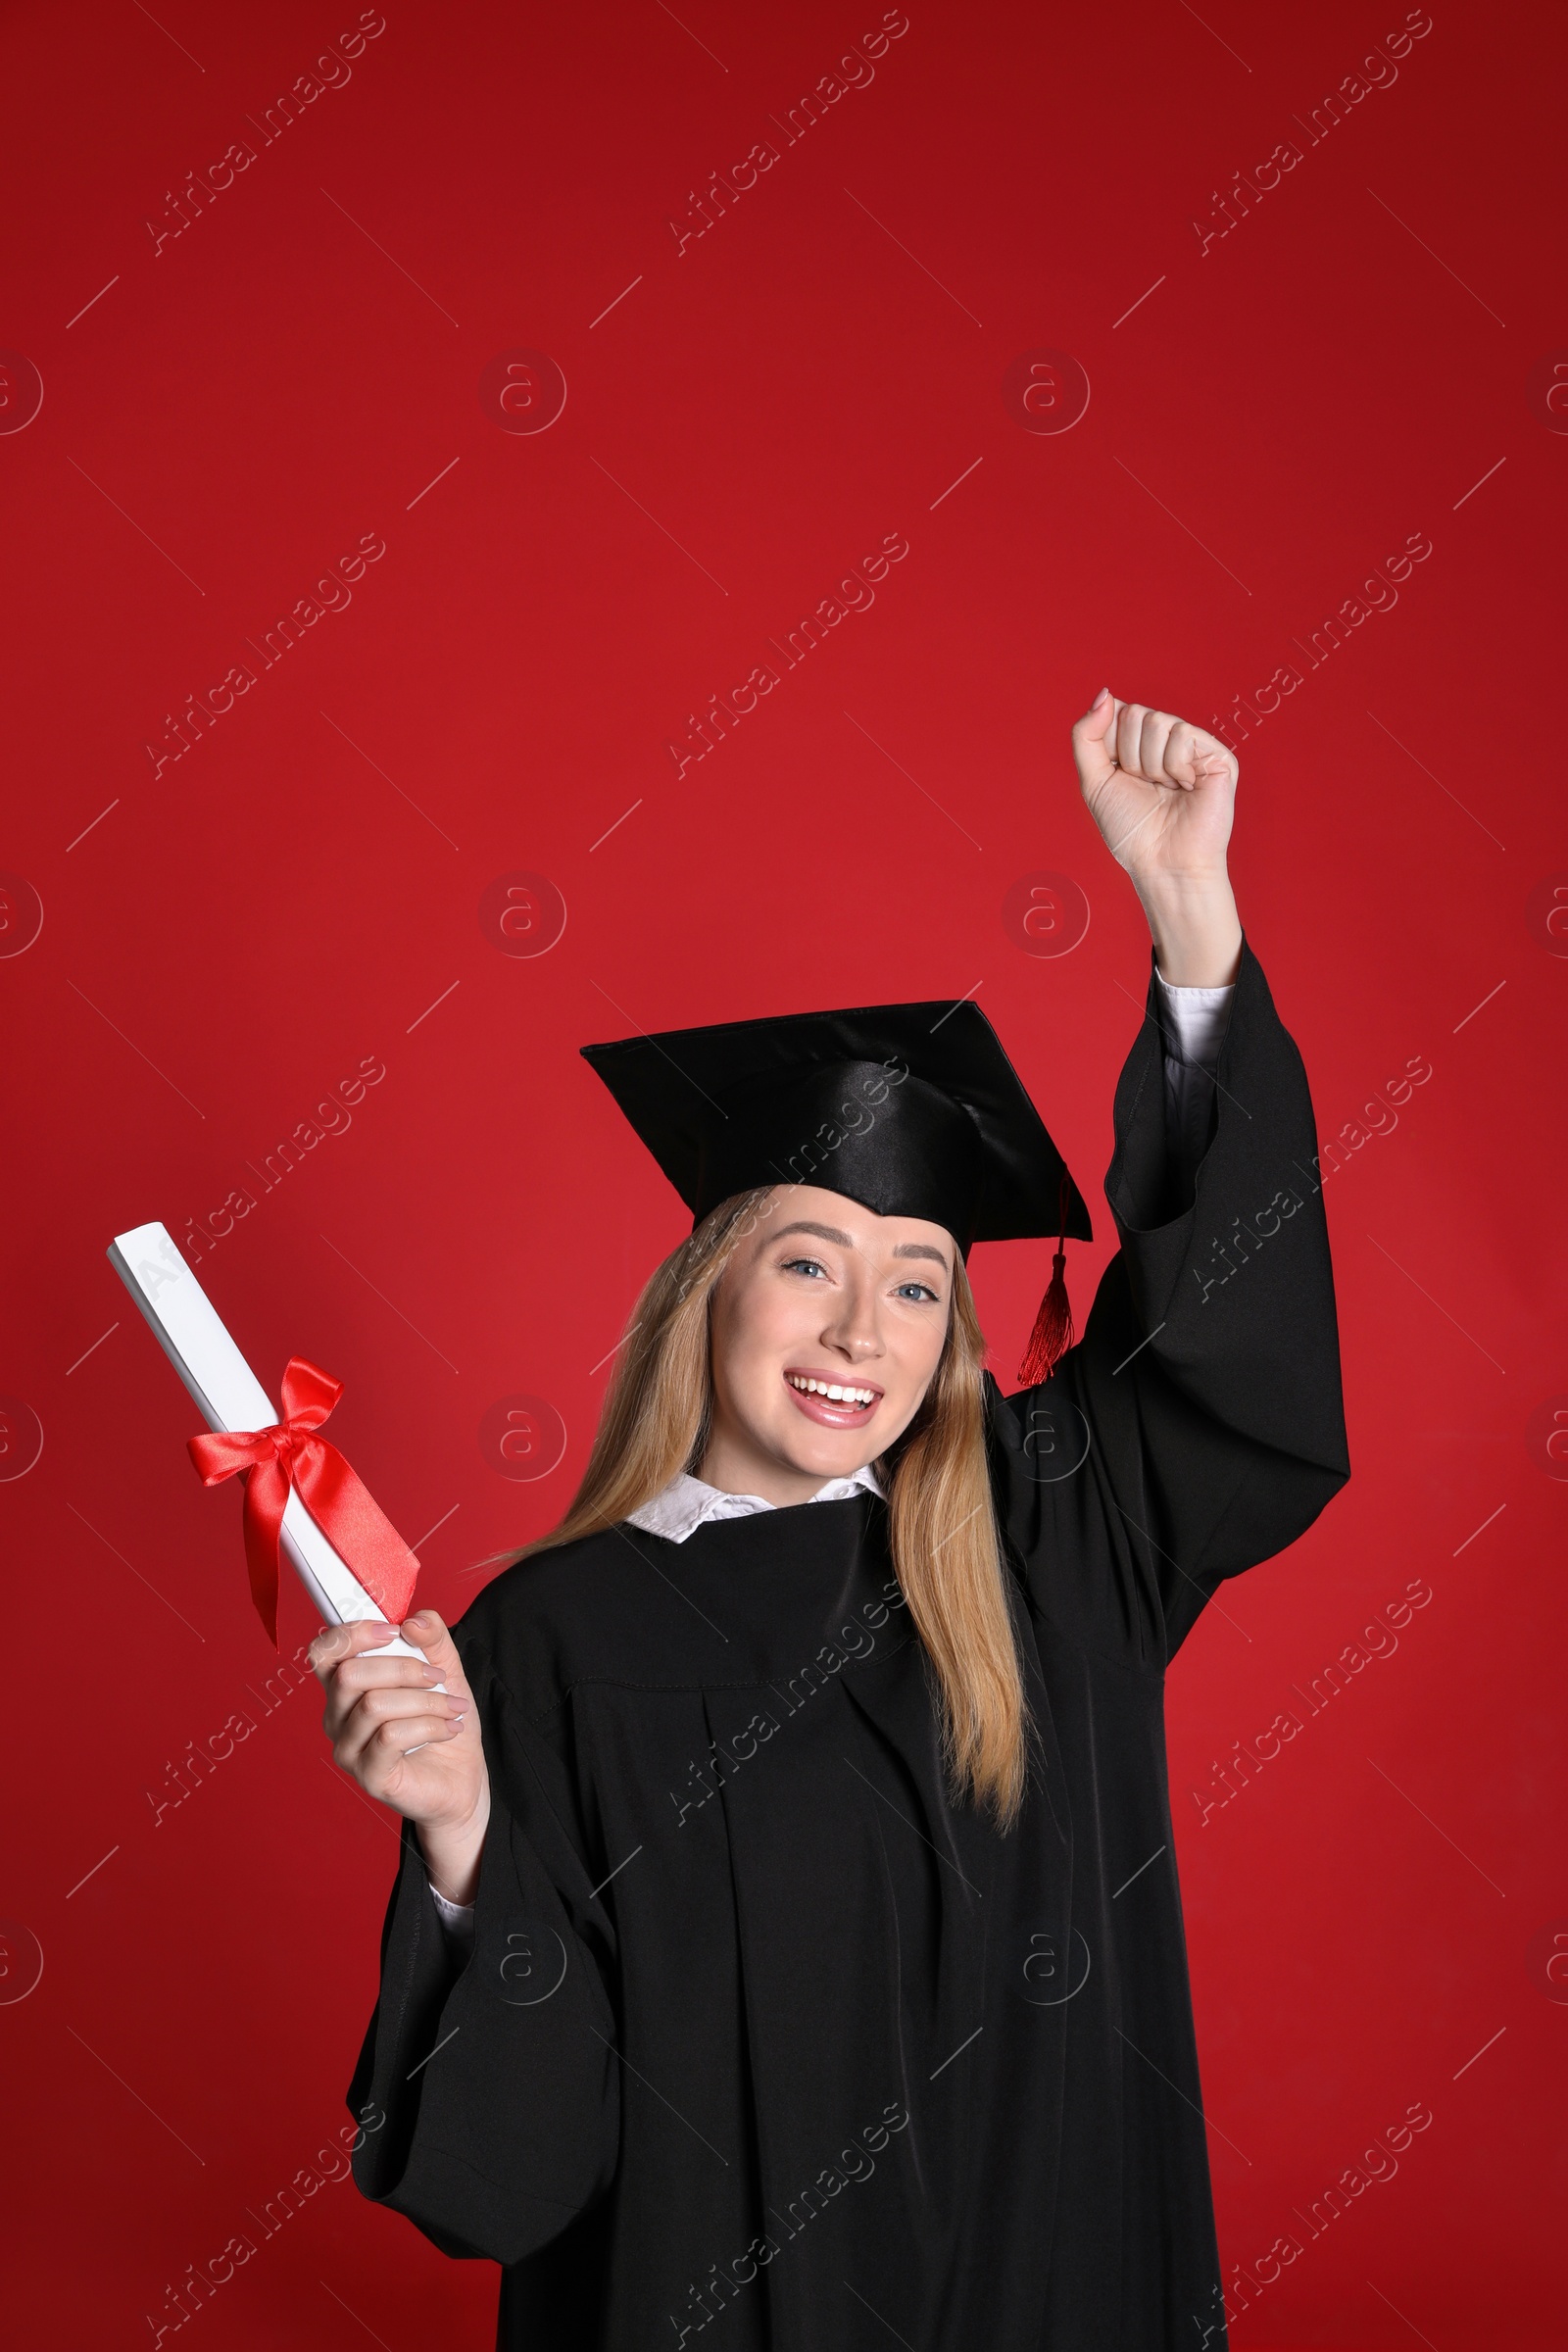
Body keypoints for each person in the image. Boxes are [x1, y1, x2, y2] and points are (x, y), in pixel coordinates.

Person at [312, 690, 1349, 2349]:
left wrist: (1193, 919)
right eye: (810, 1262)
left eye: (919, 1285)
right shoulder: (550, 1638)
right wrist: (455, 1844)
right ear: (705, 1286)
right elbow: (516, 2174)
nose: (865, 1334)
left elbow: (1253, 1383)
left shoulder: (1045, 1531)